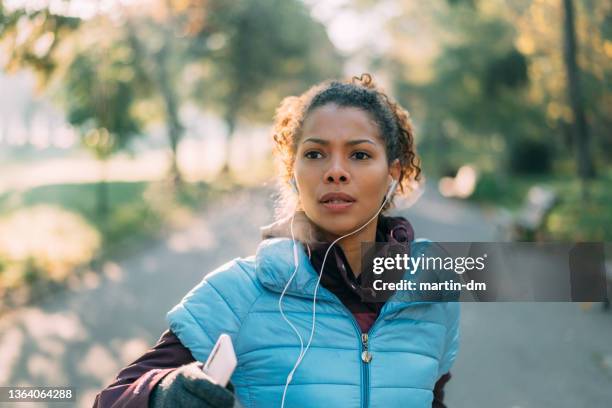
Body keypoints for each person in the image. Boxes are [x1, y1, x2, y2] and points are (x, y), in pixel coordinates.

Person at [93, 73, 460, 408]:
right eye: (315, 154)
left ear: (392, 172)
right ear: (293, 171)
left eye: (360, 154)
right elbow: (112, 400)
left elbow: (431, 398)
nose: (335, 172)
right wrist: (165, 393)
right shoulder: (238, 292)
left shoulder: (432, 293)